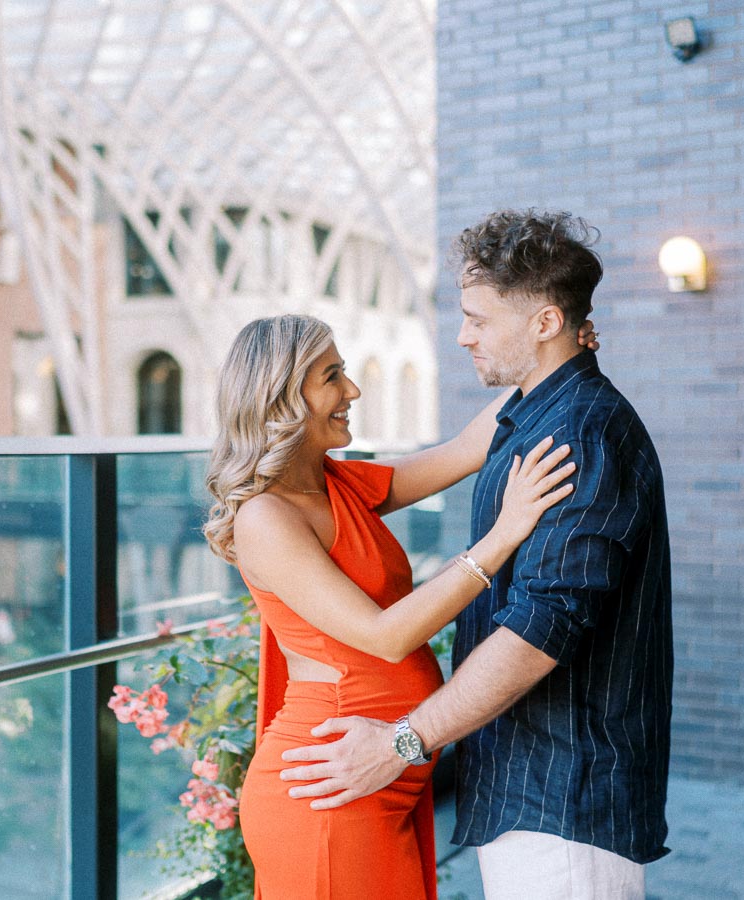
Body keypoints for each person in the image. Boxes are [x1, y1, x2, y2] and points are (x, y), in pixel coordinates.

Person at [279, 210, 673, 900]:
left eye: (478, 320)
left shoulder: (576, 438)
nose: (463, 336)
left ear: (544, 323)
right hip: (527, 782)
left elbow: (539, 633)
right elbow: (441, 459)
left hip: (561, 795)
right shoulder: (534, 412)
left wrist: (401, 743)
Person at [202, 313, 596, 898]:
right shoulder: (266, 517)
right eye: (331, 377)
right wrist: (503, 536)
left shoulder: (338, 485)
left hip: (378, 772)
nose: (352, 390)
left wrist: (553, 360)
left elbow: (466, 448)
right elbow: (385, 635)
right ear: (282, 397)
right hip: (329, 789)